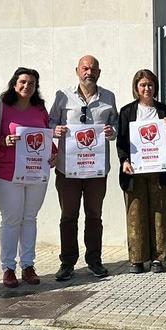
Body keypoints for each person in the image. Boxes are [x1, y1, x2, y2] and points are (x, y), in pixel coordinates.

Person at [49, 55, 118, 281]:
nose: (89, 72)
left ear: (99, 72)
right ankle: (67, 262)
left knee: (94, 215)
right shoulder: (62, 96)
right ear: (77, 70)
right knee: (68, 216)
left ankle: (94, 261)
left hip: (96, 169)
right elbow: (49, 122)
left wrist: (111, 132)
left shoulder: (108, 97)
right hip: (67, 168)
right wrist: (55, 130)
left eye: (93, 69)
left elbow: (116, 125)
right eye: (85, 68)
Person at [0, 68, 56, 288]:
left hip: (36, 171)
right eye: (22, 82)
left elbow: (46, 134)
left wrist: (54, 154)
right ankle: (8, 268)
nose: (26, 86)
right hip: (8, 172)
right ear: (14, 83)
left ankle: (28, 265)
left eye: (31, 83)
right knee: (11, 220)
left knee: (30, 218)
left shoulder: (39, 108)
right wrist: (3, 141)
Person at [117, 69, 166, 273]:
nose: (147, 88)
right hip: (134, 169)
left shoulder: (163, 110)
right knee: (135, 213)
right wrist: (124, 160)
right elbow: (122, 140)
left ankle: (158, 258)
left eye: (150, 85)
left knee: (159, 212)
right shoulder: (127, 111)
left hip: (158, 170)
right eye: (143, 85)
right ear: (136, 87)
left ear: (155, 87)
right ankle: (137, 259)